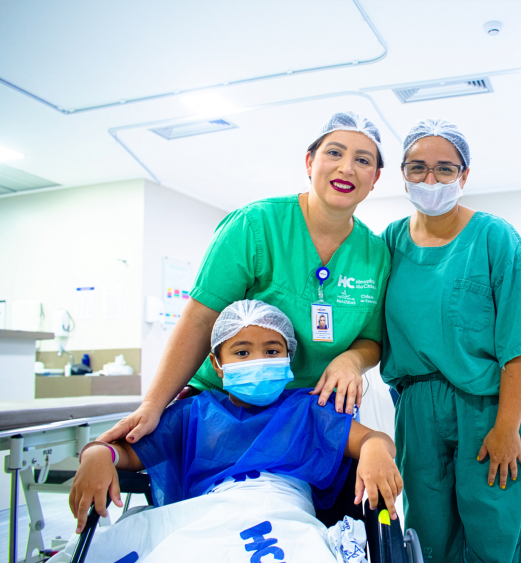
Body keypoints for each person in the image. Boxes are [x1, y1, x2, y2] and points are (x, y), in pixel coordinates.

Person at [100, 111, 392, 447]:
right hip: (226, 407)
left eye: (363, 160)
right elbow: (200, 319)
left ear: (375, 178)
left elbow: (371, 339)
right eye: (334, 152)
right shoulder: (254, 225)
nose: (347, 168)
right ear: (310, 161)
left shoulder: (376, 254)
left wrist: (351, 360)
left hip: (311, 412)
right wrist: (153, 404)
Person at [56, 300, 401, 563]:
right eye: (242, 352)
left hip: (283, 513)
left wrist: (375, 449)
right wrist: (99, 454)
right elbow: (129, 451)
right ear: (217, 365)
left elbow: (371, 439)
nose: (258, 360)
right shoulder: (193, 414)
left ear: (288, 358)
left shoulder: (308, 410)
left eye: (272, 351)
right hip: (207, 515)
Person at [380, 119, 521, 563]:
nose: (430, 179)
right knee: (427, 538)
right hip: (417, 409)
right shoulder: (390, 241)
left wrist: (507, 428)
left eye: (445, 168)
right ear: (403, 174)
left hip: (488, 407)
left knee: (494, 535)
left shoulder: (494, 237)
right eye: (417, 167)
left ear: (464, 175)